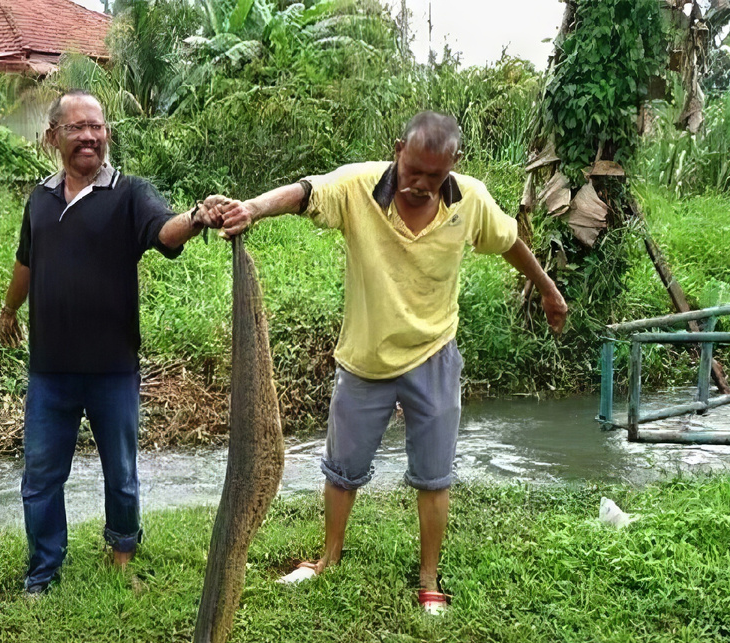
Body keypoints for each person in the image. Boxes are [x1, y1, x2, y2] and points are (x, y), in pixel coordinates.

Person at [216, 110, 567, 613]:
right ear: (398, 149)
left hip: (434, 355)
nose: (422, 185)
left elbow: (510, 243)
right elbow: (306, 191)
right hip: (365, 358)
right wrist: (251, 207)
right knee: (342, 468)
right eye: (413, 171)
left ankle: (429, 579)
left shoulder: (470, 198)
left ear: (454, 164)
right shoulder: (359, 186)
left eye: (435, 175)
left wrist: (549, 291)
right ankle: (328, 557)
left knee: (434, 475)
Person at [0, 89, 223, 594]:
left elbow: (164, 232)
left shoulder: (129, 194)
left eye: (96, 127)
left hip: (112, 368)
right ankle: (43, 572)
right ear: (53, 135)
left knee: (121, 473)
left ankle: (122, 556)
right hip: (50, 371)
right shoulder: (40, 197)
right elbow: (26, 260)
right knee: (39, 479)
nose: (89, 137)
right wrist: (9, 309)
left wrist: (197, 218)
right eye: (77, 127)